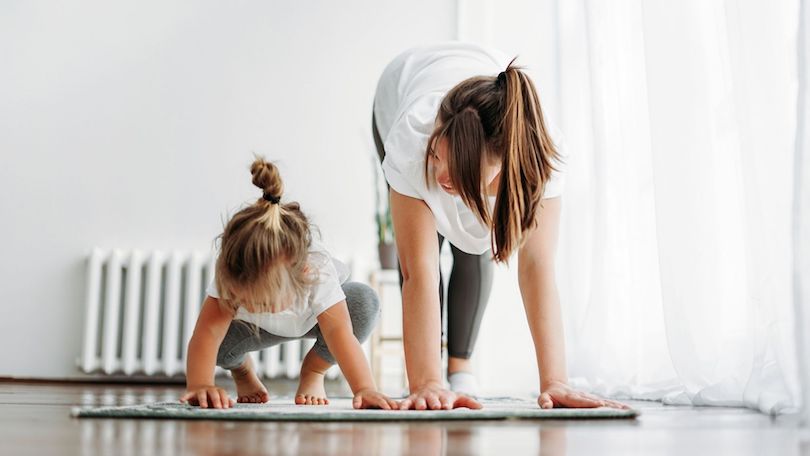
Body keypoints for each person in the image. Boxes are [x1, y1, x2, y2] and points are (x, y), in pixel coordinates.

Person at [372, 42, 627, 410]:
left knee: (471, 245)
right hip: (397, 90)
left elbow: (538, 266)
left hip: (478, 112)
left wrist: (555, 381)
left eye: (458, 172)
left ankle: (461, 369)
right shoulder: (413, 137)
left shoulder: (542, 159)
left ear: (502, 163)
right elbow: (419, 271)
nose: (440, 177)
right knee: (425, 245)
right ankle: (438, 374)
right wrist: (426, 383)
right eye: (438, 157)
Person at [181, 157, 397, 410]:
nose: (254, 306)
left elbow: (339, 333)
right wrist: (199, 385)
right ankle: (243, 372)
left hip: (313, 321)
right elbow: (207, 333)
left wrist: (365, 389)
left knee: (363, 303)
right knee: (215, 348)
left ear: (302, 273)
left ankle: (314, 371)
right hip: (253, 330)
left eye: (263, 301)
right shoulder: (232, 267)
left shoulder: (316, 268)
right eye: (244, 300)